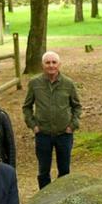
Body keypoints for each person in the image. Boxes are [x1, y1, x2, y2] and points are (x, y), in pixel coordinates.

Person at [22, 51, 82, 189]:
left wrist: (72, 126)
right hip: (43, 134)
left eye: (54, 62)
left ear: (59, 64)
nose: (51, 65)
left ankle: (62, 198)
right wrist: (33, 125)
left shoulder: (68, 83)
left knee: (64, 170)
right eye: (47, 62)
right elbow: (27, 107)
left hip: (64, 134)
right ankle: (44, 200)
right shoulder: (34, 83)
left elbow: (77, 106)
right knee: (43, 171)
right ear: (42, 65)